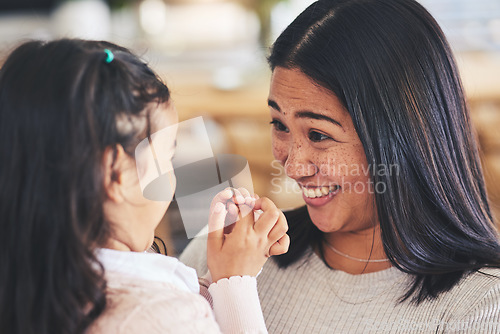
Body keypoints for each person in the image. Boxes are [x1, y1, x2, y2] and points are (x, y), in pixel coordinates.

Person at [180, 0, 500, 332]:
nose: (293, 165)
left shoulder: (483, 306)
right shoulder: (226, 254)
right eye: (279, 124)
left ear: (407, 134)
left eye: (318, 134)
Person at [0, 38, 289, 334]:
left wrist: (218, 277)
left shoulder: (34, 275)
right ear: (116, 175)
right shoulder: (157, 318)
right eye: (168, 157)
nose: (172, 174)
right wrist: (236, 281)